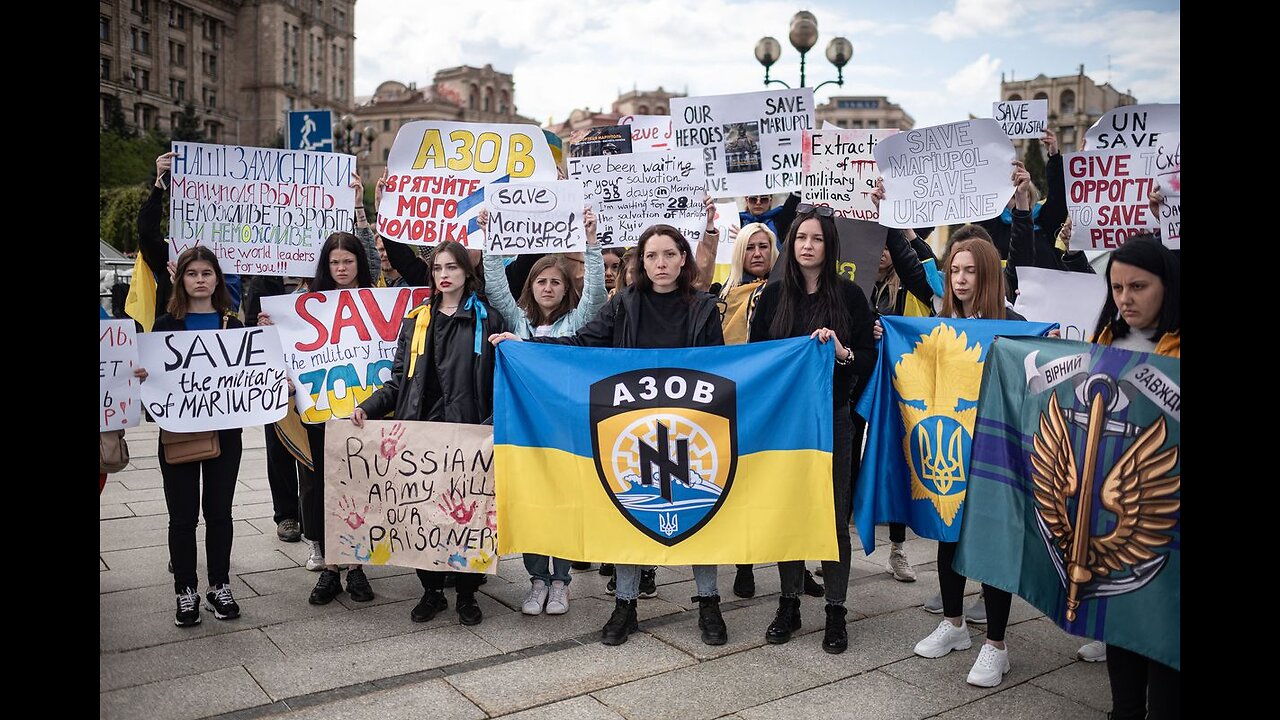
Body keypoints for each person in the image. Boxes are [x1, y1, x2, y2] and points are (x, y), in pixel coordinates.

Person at [490, 224, 728, 647]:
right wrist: (526, 347)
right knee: (629, 514)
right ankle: (625, 605)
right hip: (631, 428)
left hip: (691, 430)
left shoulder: (705, 309)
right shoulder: (624, 305)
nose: (661, 263)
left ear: (682, 259)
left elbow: (722, 368)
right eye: (652, 255)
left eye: (669, 254)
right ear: (641, 261)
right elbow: (583, 341)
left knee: (700, 517)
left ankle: (709, 603)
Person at [353, 241, 510, 626]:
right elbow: (396, 382)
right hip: (419, 433)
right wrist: (367, 408)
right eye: (438, 268)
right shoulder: (417, 319)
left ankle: (469, 594)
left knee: (467, 513)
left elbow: (500, 379)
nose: (444, 274)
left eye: (452, 267)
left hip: (469, 432)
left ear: (466, 273)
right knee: (420, 513)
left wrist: (493, 422)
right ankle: (432, 590)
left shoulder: (488, 319)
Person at [748, 206, 877, 654]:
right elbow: (755, 358)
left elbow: (867, 357)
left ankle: (836, 611)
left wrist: (841, 353)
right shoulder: (773, 296)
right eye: (800, 237)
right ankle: (789, 602)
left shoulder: (850, 297)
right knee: (788, 512)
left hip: (833, 417)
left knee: (832, 514)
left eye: (816, 239)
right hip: (785, 423)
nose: (807, 245)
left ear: (829, 246)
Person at [907, 236, 1029, 688]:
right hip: (951, 451)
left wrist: (1048, 338)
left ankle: (996, 645)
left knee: (993, 543)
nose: (959, 279)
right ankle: (955, 624)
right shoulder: (939, 323)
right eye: (953, 270)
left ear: (988, 275)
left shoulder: (1012, 323)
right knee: (948, 534)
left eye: (969, 271)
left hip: (995, 453)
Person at [478, 206, 608, 616]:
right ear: (530, 286)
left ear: (565, 288)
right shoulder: (517, 322)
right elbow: (496, 283)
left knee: (564, 504)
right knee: (530, 503)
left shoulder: (578, 320)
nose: (548, 287)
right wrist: (491, 237)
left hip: (566, 431)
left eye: (555, 281)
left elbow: (597, 293)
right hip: (525, 431)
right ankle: (537, 580)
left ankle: (561, 582)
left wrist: (590, 240)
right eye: (540, 281)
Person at [259, 230, 380, 607]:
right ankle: (330, 567)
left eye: (348, 261)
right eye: (334, 262)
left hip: (362, 412)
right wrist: (269, 332)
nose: (341, 268)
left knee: (358, 485)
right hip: (317, 413)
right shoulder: (305, 303)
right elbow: (286, 353)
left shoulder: (377, 302)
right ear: (325, 266)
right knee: (319, 485)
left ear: (359, 263)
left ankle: (357, 567)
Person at [1087, 233, 1179, 719]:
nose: (1125, 298)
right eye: (1118, 287)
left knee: (1165, 635)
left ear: (1167, 285)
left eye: (1138, 286)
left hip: (1169, 517)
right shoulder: (1103, 340)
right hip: (1118, 515)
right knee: (1121, 625)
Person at [131, 246, 246, 627]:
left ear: (217, 279)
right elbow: (152, 378)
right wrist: (145, 378)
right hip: (178, 432)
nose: (200, 279)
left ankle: (219, 585)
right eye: (192, 273)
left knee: (220, 514)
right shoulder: (165, 326)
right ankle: (185, 590)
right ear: (180, 279)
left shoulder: (235, 325)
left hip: (226, 434)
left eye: (207, 273)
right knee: (182, 517)